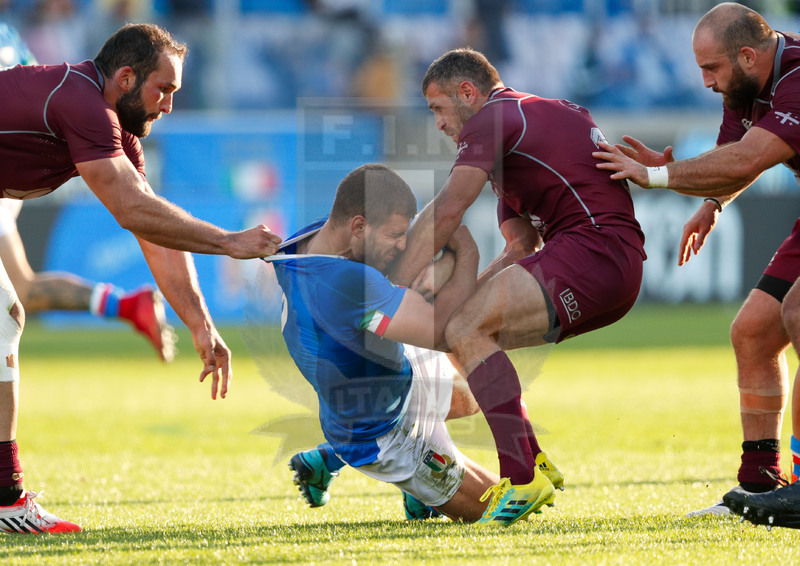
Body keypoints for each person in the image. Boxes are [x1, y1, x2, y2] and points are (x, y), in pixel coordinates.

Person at [0, 23, 281, 534]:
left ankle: (4, 499)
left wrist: (200, 322)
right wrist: (227, 241)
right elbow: (132, 210)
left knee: (4, 321)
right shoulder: (80, 100)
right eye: (164, 89)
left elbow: (153, 230)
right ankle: (5, 501)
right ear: (125, 78)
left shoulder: (116, 127)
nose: (168, 105)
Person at [388, 48, 646, 519]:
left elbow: (448, 208)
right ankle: (532, 463)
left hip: (595, 252)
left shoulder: (493, 119)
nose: (439, 125)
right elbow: (521, 245)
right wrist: (457, 302)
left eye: (438, 109)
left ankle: (522, 479)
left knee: (464, 329)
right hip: (608, 263)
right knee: (459, 332)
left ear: (468, 93)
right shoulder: (521, 125)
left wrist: (392, 285)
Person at [593, 2, 800, 517]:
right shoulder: (744, 85)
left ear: (748, 55)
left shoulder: (798, 77)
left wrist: (657, 177)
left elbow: (749, 158)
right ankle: (759, 488)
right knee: (753, 332)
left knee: (797, 312)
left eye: (712, 69)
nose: (707, 82)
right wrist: (712, 203)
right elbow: (734, 157)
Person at [267, 163, 558, 525]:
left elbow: (422, 244)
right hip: (385, 432)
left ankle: (326, 460)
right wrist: (464, 251)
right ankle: (418, 488)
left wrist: (440, 262)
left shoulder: (311, 240)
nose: (403, 245)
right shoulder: (346, 284)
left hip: (393, 372)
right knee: (505, 514)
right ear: (358, 226)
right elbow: (446, 332)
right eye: (394, 235)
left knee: (481, 392)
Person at [0, 22, 174, 362]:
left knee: (12, 303)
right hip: (12, 178)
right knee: (20, 289)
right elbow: (30, 78)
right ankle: (127, 305)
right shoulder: (9, 34)